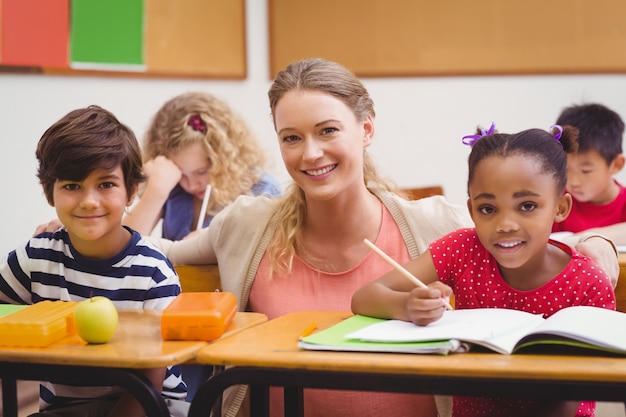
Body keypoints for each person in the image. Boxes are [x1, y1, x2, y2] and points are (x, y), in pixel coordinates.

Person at [149, 58, 620, 417]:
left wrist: (597, 244)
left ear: (366, 128)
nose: (310, 153)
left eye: (328, 130)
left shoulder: (441, 225)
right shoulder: (247, 224)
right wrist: (152, 189)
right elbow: (154, 254)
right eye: (291, 137)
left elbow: (534, 236)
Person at [351, 125, 616, 417]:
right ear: (472, 210)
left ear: (560, 207)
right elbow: (364, 297)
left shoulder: (587, 283)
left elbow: (580, 388)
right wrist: (408, 306)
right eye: (488, 209)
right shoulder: (461, 250)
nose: (505, 224)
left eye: (527, 206)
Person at [1, 105, 187, 417]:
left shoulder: (153, 272)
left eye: (106, 184)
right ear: (50, 194)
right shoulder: (34, 259)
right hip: (64, 409)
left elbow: (152, 378)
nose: (89, 201)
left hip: (152, 407)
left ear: (131, 192)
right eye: (72, 186)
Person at [122, 91, 282, 240]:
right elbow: (120, 250)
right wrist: (156, 191)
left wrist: (210, 242)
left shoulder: (261, 191)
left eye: (201, 171)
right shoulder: (173, 190)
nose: (191, 185)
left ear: (225, 159)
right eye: (180, 174)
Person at [551, 103, 626, 245]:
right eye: (565, 169)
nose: (573, 182)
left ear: (616, 164)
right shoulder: (557, 202)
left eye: (586, 171)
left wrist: (584, 238)